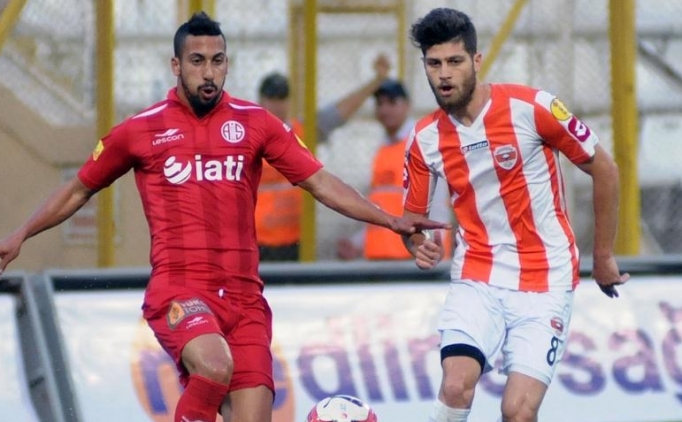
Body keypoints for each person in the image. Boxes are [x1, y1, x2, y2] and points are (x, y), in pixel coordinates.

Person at [0, 12, 448, 422]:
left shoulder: (257, 123)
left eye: (217, 61)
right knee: (214, 366)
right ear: (176, 66)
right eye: (197, 61)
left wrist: (391, 221)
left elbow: (320, 182)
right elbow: (79, 189)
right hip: (180, 288)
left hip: (245, 299)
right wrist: (20, 235)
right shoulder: (141, 129)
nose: (209, 71)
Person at [401, 8, 629, 422]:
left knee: (517, 411)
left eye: (454, 61)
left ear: (476, 60)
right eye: (434, 64)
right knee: (454, 386)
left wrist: (603, 256)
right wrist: (418, 244)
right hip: (478, 274)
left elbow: (605, 169)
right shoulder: (424, 138)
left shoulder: (533, 107)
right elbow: (412, 221)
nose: (444, 74)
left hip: (546, 277)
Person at [256, 55, 391, 261]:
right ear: (261, 100)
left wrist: (376, 81)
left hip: (295, 240)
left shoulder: (301, 132)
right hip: (258, 241)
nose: (277, 104)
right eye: (271, 98)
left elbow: (339, 112)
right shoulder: (249, 136)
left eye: (281, 98)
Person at [336, 79, 453, 260]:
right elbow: (382, 207)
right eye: (380, 104)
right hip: (381, 257)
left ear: (406, 105)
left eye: (391, 102)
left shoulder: (422, 145)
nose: (384, 110)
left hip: (411, 258)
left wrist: (432, 250)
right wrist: (357, 243)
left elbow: (437, 207)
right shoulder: (383, 151)